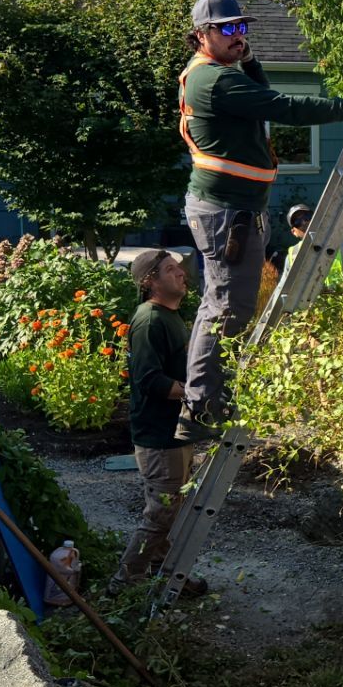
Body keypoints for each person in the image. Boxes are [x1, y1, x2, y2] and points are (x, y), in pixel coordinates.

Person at [176, 0, 343, 438]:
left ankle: (207, 398)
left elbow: (260, 95)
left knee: (223, 307)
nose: (239, 36)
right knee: (225, 309)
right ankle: (200, 409)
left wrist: (250, 59)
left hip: (233, 209)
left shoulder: (223, 73)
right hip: (225, 213)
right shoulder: (215, 82)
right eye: (228, 29)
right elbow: (285, 107)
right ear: (202, 35)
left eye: (243, 28)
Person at [113, 247, 197, 590]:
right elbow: (149, 380)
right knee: (161, 513)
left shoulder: (169, 316)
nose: (181, 273)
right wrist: (195, 393)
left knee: (170, 513)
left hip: (175, 432)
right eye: (171, 269)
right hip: (159, 436)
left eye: (179, 267)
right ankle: (123, 583)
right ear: (151, 281)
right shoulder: (149, 321)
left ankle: (167, 577)